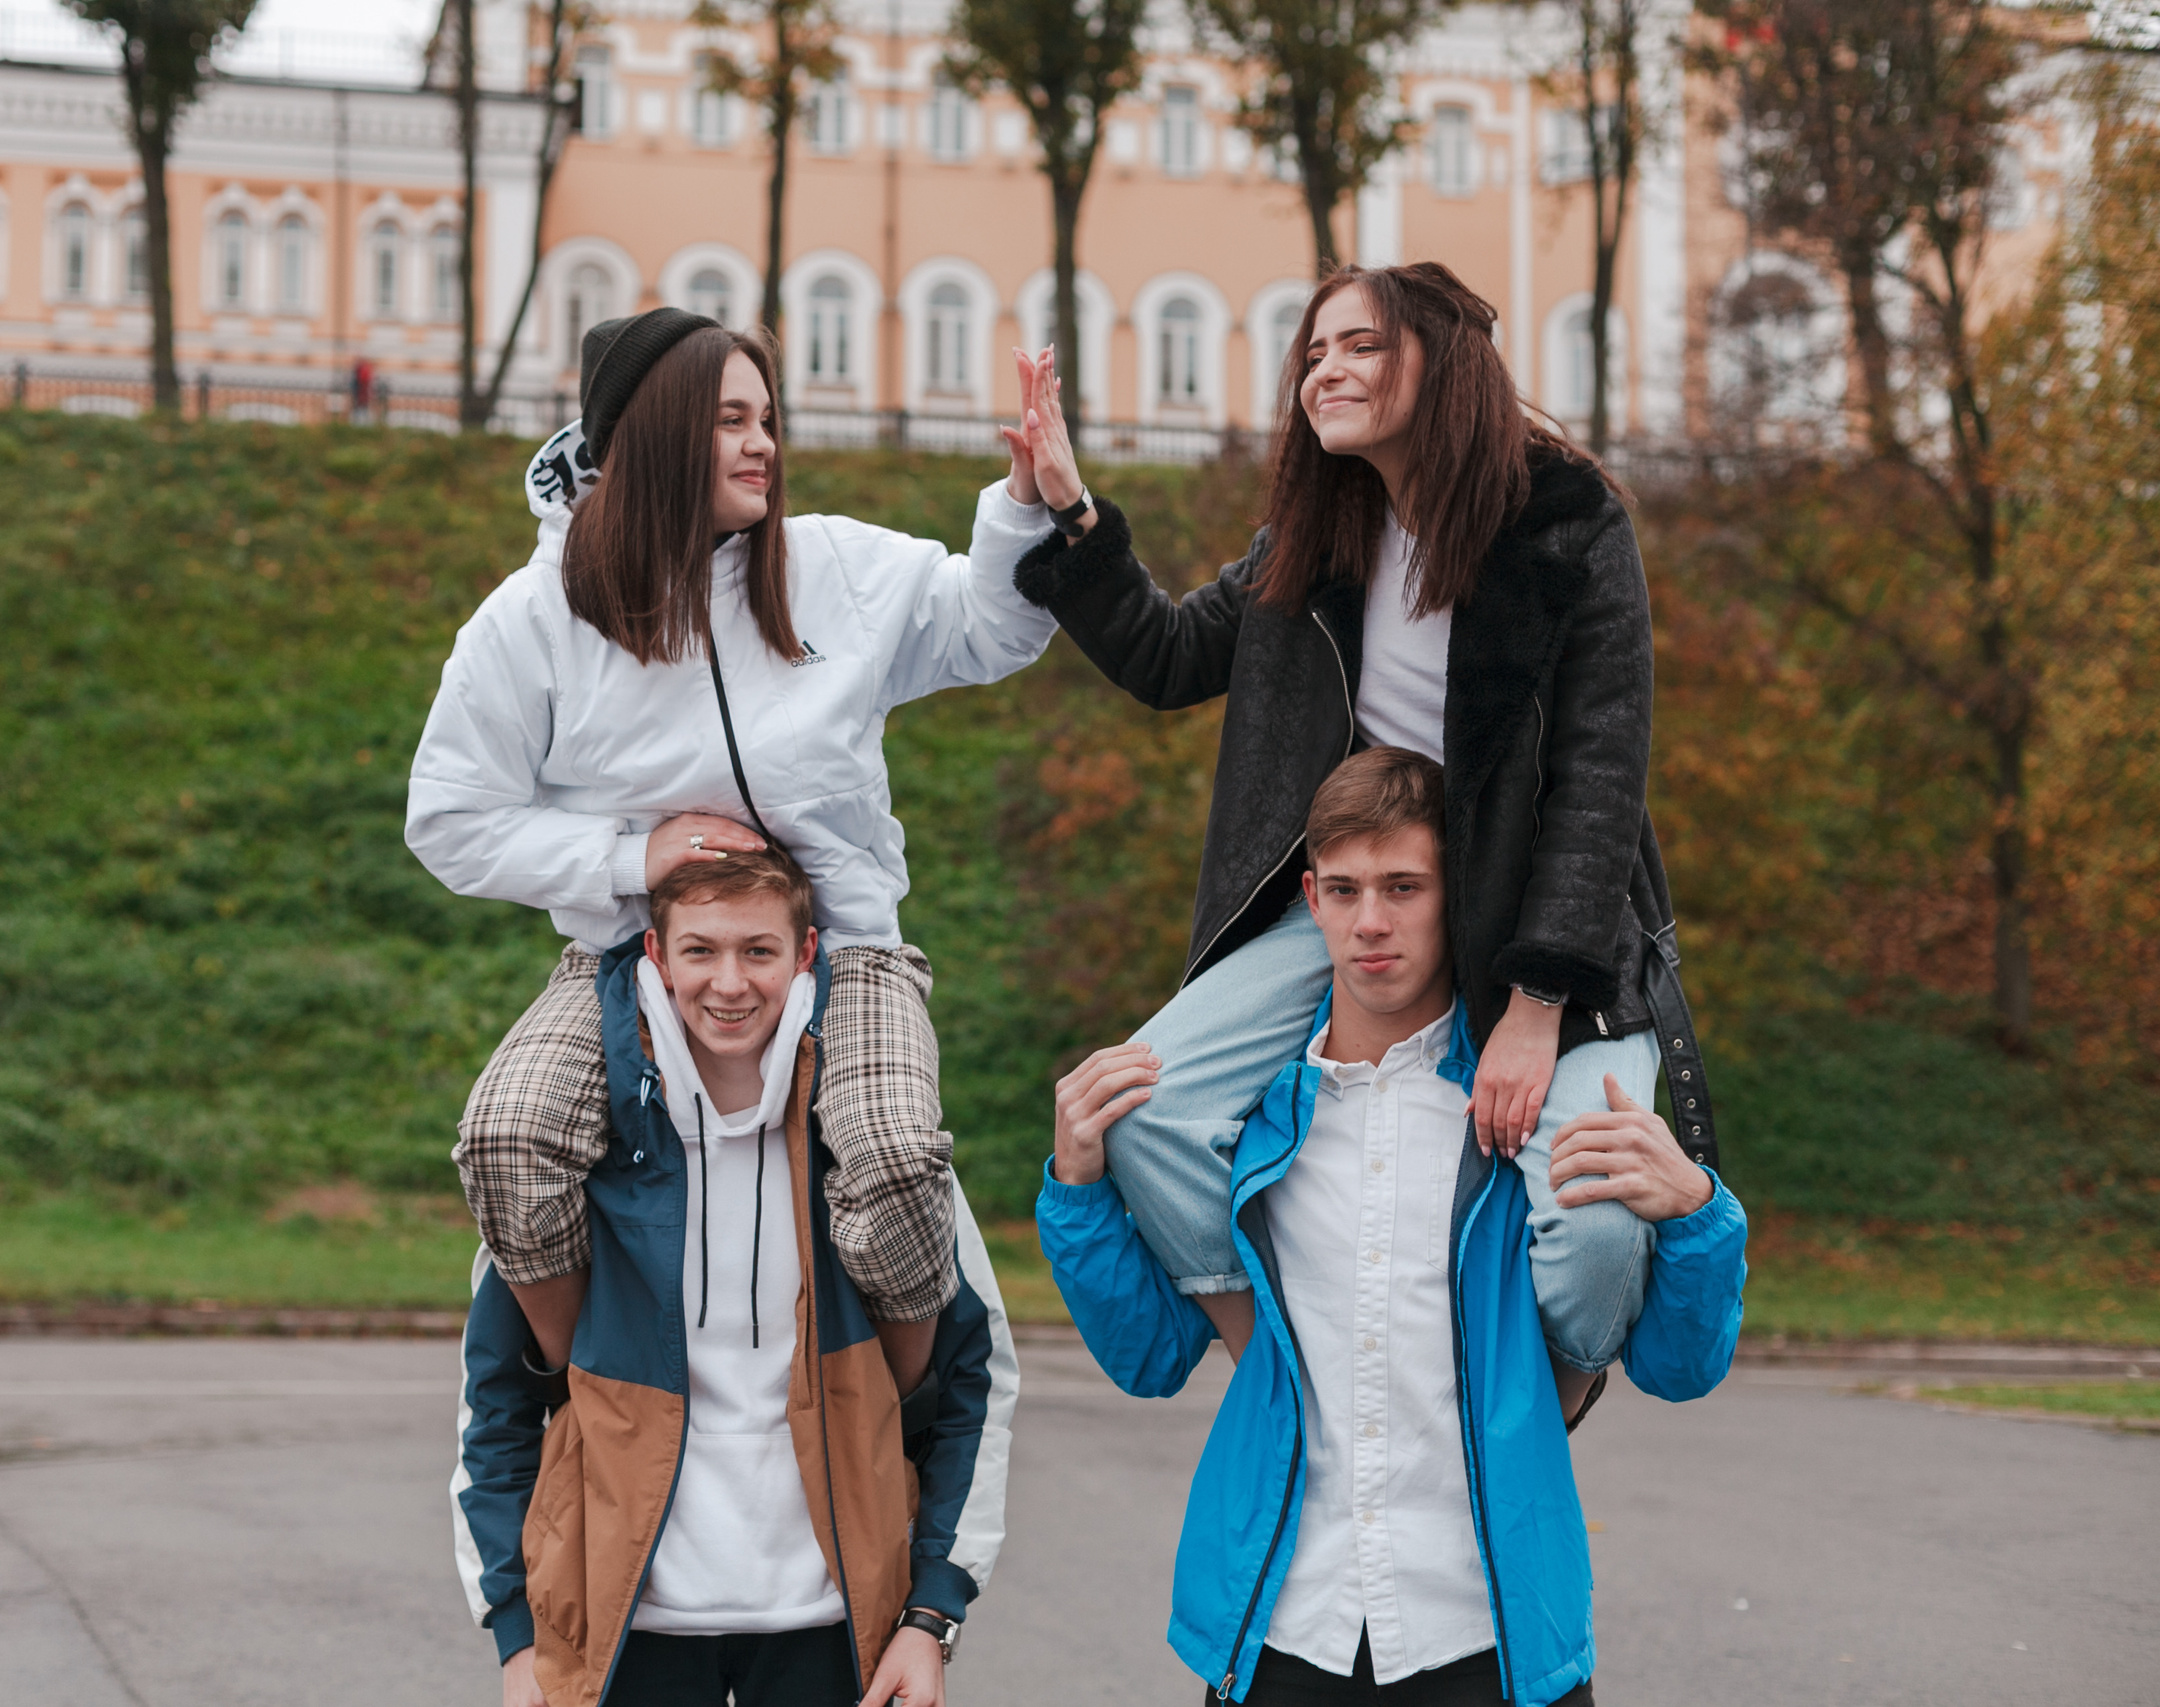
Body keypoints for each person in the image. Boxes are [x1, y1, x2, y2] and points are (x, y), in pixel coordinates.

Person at [1000, 262, 1718, 1417]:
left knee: (1589, 1238)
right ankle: (1296, 1382)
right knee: (1153, 1114)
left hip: (1543, 925)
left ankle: (1545, 1407)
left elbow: (1600, 772)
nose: (1324, 370)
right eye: (1313, 353)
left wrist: (1534, 1011)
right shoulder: (1316, 536)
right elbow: (1169, 657)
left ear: (1443, 358)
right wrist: (1071, 512)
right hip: (1356, 895)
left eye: (1359, 346)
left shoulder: (1566, 520)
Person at [407, 310, 1060, 1394]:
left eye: (768, 418)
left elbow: (989, 628)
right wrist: (631, 858)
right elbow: (449, 817)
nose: (764, 444)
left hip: (844, 949)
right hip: (633, 961)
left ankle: (895, 1421)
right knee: (508, 1140)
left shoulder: (831, 566)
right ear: (657, 436)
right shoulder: (535, 619)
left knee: (896, 1158)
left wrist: (1023, 503)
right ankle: (594, 1396)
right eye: (730, 421)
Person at [1038, 747, 1746, 1707]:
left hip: (1488, 1633)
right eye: (1346, 889)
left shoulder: (1524, 1125)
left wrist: (1701, 1213)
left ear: (1459, 895)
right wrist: (1079, 1187)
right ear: (1311, 899)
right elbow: (1151, 1358)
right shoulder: (1248, 1135)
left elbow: (1679, 1366)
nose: (1371, 922)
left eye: (1405, 886)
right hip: (1282, 1627)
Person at [452, 847, 1018, 1707]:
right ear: (655, 957)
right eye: (700, 950)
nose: (729, 982)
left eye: (757, 950)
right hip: (625, 1631)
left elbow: (976, 1380)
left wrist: (931, 1612)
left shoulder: (872, 1160)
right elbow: (495, 1401)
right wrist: (515, 1630)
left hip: (829, 1627)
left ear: (805, 957)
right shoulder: (581, 1158)